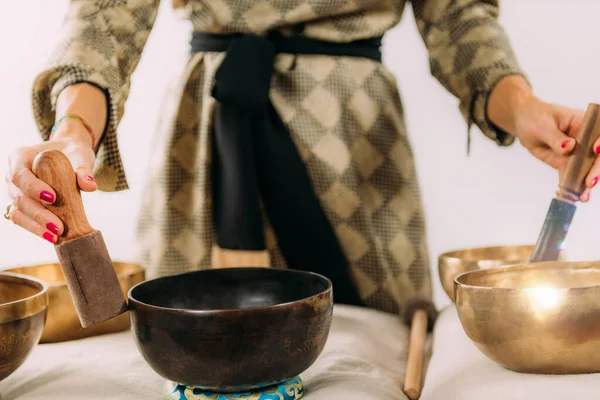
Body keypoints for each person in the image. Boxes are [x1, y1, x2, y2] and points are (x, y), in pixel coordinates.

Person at [4, 1, 599, 318]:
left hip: (356, 149)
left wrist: (522, 106)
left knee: (377, 356)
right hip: (208, 137)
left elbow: (458, 15)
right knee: (195, 343)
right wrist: (72, 131)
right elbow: (106, 15)